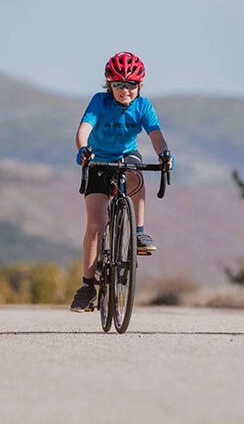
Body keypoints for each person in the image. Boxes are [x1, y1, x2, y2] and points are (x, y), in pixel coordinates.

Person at [70, 52, 174, 312]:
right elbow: (84, 130)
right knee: (95, 224)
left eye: (130, 85)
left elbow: (156, 135)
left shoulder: (143, 106)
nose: (124, 90)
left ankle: (138, 231)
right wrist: (83, 149)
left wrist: (164, 154)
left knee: (135, 172)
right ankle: (87, 286)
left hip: (126, 156)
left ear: (139, 85)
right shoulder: (99, 102)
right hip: (98, 160)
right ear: (109, 85)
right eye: (118, 85)